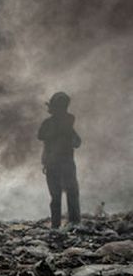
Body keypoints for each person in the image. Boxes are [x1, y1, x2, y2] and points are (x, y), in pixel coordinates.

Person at [37, 92, 81, 229]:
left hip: (57, 163)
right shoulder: (64, 123)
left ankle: (59, 225)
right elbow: (77, 142)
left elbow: (77, 142)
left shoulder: (56, 123)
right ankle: (71, 223)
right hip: (60, 163)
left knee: (60, 195)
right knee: (68, 193)